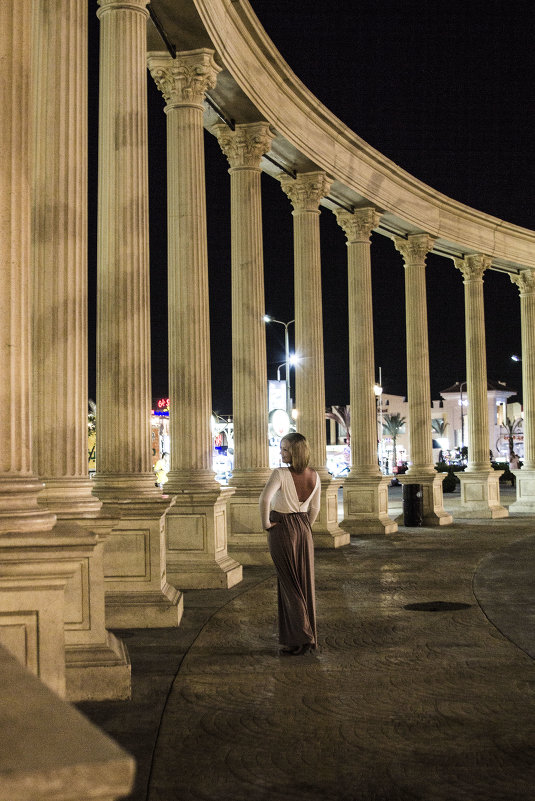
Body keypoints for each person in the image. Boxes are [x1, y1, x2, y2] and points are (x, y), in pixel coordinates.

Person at [259, 433, 321, 656]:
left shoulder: (280, 474)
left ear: (295, 452)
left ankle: (302, 636)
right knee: (304, 583)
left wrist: (266, 523)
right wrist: (305, 527)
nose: (281, 453)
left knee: (289, 583)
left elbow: (265, 499)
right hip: (304, 528)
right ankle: (302, 637)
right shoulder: (314, 475)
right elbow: (315, 508)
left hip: (282, 527)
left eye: (285, 449)